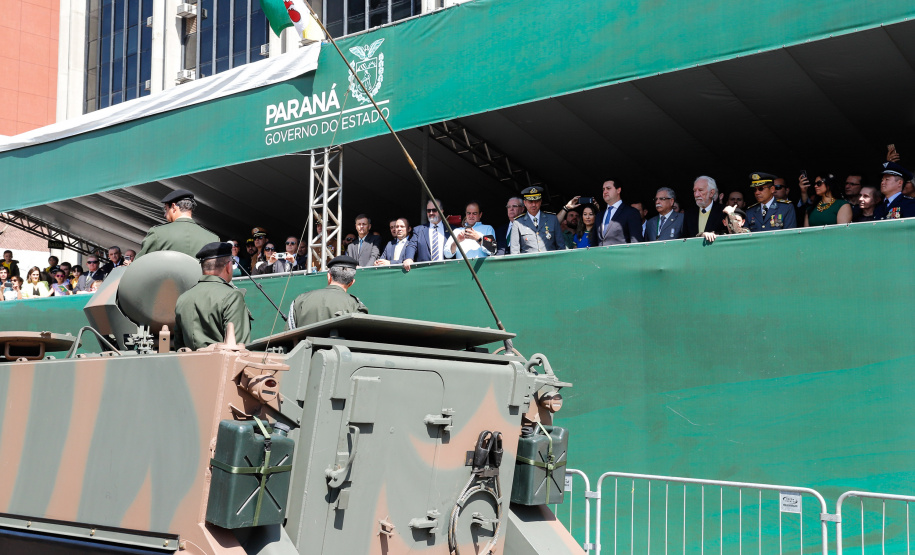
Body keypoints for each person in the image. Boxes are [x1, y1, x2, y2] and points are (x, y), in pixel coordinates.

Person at [174, 242, 252, 350]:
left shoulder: (183, 298)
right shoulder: (232, 296)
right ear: (229, 267)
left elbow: (179, 345)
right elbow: (239, 346)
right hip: (221, 365)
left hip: (188, 365)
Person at [288, 255, 368, 328]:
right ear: (351, 282)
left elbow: (287, 336)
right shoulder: (355, 305)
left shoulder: (300, 300)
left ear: (328, 276)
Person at [136, 189, 219, 258]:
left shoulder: (157, 233)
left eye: (166, 209)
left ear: (174, 207)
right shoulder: (213, 238)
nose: (165, 214)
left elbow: (140, 265)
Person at [511, 186, 566, 253]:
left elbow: (561, 246)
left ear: (540, 201)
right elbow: (515, 251)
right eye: (530, 201)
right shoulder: (518, 222)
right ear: (525, 203)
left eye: (536, 201)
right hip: (529, 263)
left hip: (550, 262)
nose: (534, 204)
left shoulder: (552, 218)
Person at [595, 181, 642, 246]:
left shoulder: (631, 212)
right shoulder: (599, 215)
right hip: (600, 255)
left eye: (608, 188)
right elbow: (594, 242)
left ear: (618, 190)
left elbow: (636, 242)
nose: (605, 192)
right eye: (603, 189)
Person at [411, 199, 452, 266]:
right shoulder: (418, 230)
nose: (431, 213)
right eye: (428, 210)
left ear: (441, 211)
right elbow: (412, 246)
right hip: (426, 272)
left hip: (447, 271)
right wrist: (409, 258)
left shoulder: (452, 230)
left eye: (434, 210)